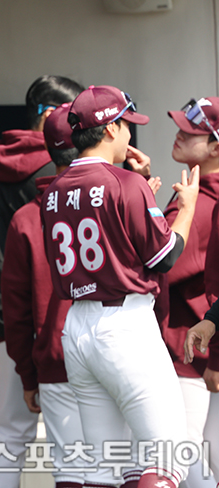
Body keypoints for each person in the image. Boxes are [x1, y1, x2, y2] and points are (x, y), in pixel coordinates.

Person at [41, 84, 199, 488]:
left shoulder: (54, 190)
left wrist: (139, 185)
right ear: (110, 128)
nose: (130, 133)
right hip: (124, 324)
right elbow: (164, 257)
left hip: (77, 326)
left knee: (106, 466)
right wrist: (187, 207)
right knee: (168, 457)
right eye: (127, 124)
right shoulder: (124, 182)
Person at [0, 74, 84, 487]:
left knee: (9, 429)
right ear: (51, 115)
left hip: (6, 322)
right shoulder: (62, 168)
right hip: (62, 321)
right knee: (72, 430)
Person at [161, 97, 219, 487]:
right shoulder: (198, 196)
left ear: (216, 147)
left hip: (191, 353)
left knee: (184, 461)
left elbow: (158, 267)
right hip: (200, 352)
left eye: (192, 131)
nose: (180, 134)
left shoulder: (203, 204)